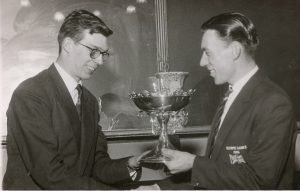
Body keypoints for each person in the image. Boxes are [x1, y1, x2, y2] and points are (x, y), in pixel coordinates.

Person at [143, 12, 297, 190]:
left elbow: (259, 181)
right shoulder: (229, 95)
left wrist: (193, 162)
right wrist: (158, 188)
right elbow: (218, 174)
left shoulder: (274, 103)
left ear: (234, 51)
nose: (202, 62)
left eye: (207, 53)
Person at [3, 9, 143, 190]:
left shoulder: (90, 102)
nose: (100, 61)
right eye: (94, 51)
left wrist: (129, 165)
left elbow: (94, 164)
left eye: (104, 54)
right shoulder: (30, 94)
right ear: (68, 44)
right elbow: (50, 174)